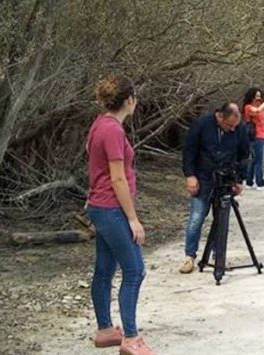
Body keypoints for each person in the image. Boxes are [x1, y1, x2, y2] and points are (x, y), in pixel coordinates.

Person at [85, 75, 154, 354]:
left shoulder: (99, 123)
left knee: (104, 269)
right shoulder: (112, 130)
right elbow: (117, 179)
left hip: (99, 206)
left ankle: (105, 330)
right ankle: (131, 338)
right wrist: (133, 219)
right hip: (111, 208)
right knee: (135, 269)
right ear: (129, 100)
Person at [179, 102, 250, 273]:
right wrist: (190, 175)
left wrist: (239, 179)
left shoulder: (239, 129)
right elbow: (189, 151)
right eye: (228, 125)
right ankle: (190, 256)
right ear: (219, 116)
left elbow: (244, 155)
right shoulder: (201, 125)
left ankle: (219, 256)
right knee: (196, 218)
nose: (232, 129)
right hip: (203, 177)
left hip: (225, 180)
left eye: (235, 126)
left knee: (221, 220)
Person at [242, 87, 264, 190]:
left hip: (261, 135)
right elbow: (257, 111)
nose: (258, 98)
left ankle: (249, 181)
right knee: (259, 160)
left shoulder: (260, 107)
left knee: (253, 160)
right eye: (256, 96)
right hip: (255, 136)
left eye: (259, 96)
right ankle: (260, 183)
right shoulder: (248, 107)